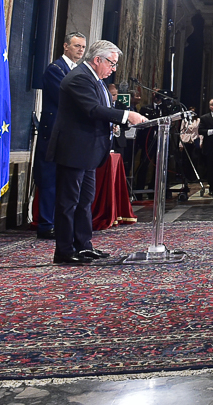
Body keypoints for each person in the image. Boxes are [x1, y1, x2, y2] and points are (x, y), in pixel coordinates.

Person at [45, 40, 144, 264]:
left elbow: (99, 112)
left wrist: (115, 124)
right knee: (68, 202)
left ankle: (83, 245)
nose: (114, 68)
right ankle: (64, 250)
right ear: (97, 59)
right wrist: (125, 115)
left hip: (89, 151)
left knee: (85, 201)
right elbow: (92, 109)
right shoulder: (80, 77)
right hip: (73, 150)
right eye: (111, 63)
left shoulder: (96, 80)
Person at [35, 32, 86, 240]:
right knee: (48, 178)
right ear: (65, 46)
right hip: (53, 133)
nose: (81, 50)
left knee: (66, 181)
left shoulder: (78, 71)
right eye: (76, 46)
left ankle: (61, 223)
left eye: (83, 47)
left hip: (68, 134)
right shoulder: (55, 70)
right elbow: (66, 98)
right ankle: (46, 224)